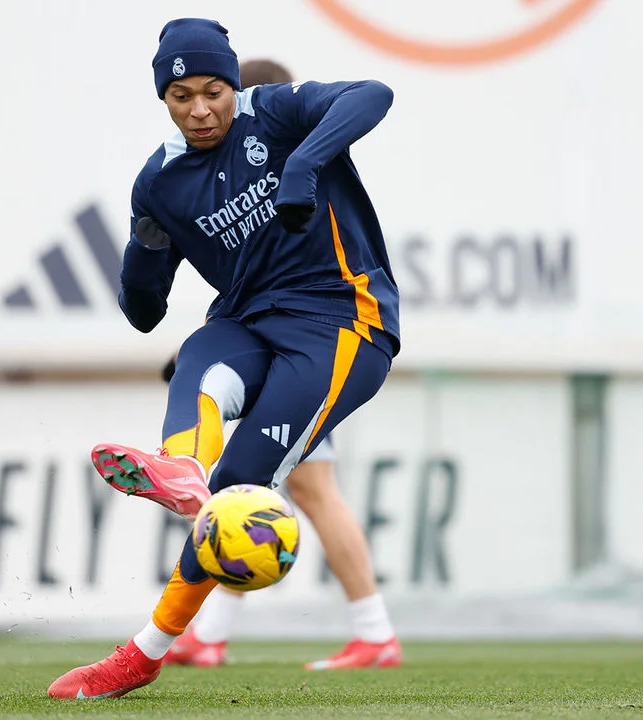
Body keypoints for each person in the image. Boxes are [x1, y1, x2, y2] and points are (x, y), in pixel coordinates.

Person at [48, 18, 400, 700]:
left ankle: (143, 654)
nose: (201, 107)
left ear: (234, 85)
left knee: (240, 481)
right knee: (197, 353)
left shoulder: (275, 114)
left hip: (343, 323)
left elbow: (375, 92)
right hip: (250, 319)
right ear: (164, 99)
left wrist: (302, 164)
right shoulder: (159, 183)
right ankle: (180, 467)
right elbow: (143, 310)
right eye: (182, 95)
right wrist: (143, 253)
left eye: (214, 89)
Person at [159, 57, 401, 673]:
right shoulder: (225, 181)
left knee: (302, 493)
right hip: (291, 349)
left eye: (219, 95)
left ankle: (373, 630)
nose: (206, 112)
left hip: (319, 346)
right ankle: (212, 631)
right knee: (256, 492)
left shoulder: (287, 153)